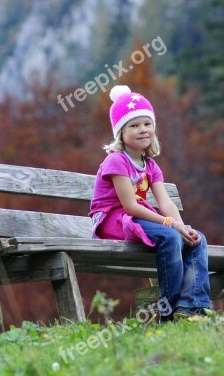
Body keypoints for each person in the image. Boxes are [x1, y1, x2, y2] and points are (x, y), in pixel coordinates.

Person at [90, 85, 211, 321]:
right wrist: (171, 225)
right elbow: (130, 206)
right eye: (134, 126)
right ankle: (167, 311)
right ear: (121, 133)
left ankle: (191, 307)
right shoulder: (116, 161)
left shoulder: (152, 167)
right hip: (112, 221)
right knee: (170, 236)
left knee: (197, 240)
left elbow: (165, 203)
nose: (142, 130)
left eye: (147, 124)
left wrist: (183, 227)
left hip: (136, 219)